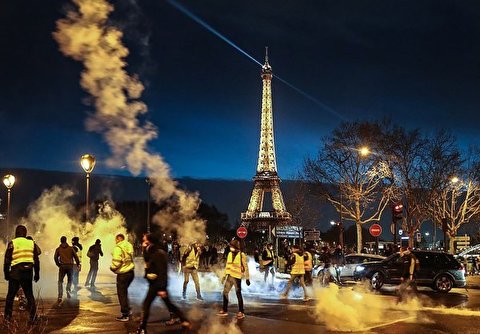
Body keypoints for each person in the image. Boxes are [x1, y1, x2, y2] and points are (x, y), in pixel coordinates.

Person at [136, 233, 191, 333]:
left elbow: (162, 272)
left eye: (144, 239)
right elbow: (147, 261)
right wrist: (144, 249)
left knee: (151, 305)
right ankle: (184, 321)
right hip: (154, 284)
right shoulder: (151, 250)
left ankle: (142, 329)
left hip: (158, 285)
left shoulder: (159, 253)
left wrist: (161, 288)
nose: (143, 240)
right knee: (164, 304)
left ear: (149, 240)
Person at [4, 225, 41, 324]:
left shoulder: (13, 243)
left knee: (10, 296)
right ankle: (33, 318)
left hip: (15, 273)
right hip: (28, 273)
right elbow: (36, 260)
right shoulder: (31, 243)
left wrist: (6, 274)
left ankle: (7, 318)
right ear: (25, 233)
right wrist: (37, 274)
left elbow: (7, 260)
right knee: (30, 296)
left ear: (16, 232)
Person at [217, 239, 250, 319]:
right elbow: (227, 266)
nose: (231, 248)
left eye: (232, 246)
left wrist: (247, 278)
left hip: (237, 277)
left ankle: (241, 312)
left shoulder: (241, 255)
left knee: (238, 294)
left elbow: (246, 267)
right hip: (230, 276)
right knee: (225, 292)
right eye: (230, 246)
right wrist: (224, 276)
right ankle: (225, 310)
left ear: (236, 247)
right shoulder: (229, 254)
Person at [110, 233, 135, 321]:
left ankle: (125, 314)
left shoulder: (118, 248)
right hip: (131, 272)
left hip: (123, 274)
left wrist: (112, 268)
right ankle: (128, 310)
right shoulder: (129, 245)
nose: (115, 242)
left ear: (118, 239)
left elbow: (116, 262)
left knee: (122, 294)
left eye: (115, 240)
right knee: (125, 292)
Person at [54, 236, 80, 303]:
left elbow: (55, 257)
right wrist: (78, 263)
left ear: (60, 241)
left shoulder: (58, 249)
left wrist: (58, 264)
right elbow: (75, 256)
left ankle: (60, 296)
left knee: (60, 281)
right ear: (66, 240)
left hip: (62, 266)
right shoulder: (70, 249)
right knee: (70, 279)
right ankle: (68, 290)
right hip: (70, 266)